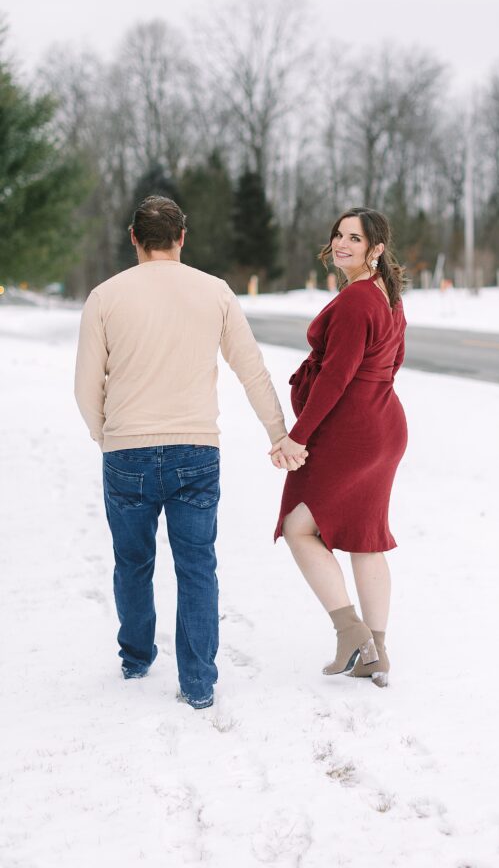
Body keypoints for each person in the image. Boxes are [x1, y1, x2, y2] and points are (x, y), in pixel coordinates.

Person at [74, 195, 306, 710]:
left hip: (127, 451)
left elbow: (85, 386)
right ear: (183, 238)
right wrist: (278, 433)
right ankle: (198, 683)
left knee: (132, 561)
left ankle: (136, 657)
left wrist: (105, 435)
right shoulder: (215, 292)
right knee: (197, 565)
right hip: (196, 451)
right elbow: (252, 370)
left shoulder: (105, 297)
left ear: (134, 238)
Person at [269, 207, 408, 687]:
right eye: (338, 235)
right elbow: (392, 364)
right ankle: (377, 651)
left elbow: (335, 378)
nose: (343, 244)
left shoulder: (354, 302)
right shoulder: (386, 295)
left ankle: (352, 635)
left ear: (377, 249)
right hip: (384, 426)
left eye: (355, 237)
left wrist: (297, 436)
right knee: (366, 539)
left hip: (351, 433)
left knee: (298, 527)